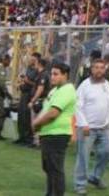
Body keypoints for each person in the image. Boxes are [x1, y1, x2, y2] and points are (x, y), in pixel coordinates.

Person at [33, 61, 77, 196]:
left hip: (58, 134)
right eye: (52, 74)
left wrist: (36, 123)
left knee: (55, 169)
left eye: (56, 74)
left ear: (65, 75)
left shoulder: (67, 90)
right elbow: (47, 109)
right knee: (48, 167)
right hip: (49, 133)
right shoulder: (54, 90)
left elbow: (53, 113)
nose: (52, 77)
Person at [74, 57, 109, 195]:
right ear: (91, 69)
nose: (99, 70)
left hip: (104, 128)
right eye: (96, 67)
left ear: (105, 70)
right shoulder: (84, 85)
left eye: (101, 68)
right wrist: (83, 124)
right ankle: (80, 184)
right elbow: (77, 106)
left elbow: (108, 105)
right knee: (83, 156)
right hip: (87, 129)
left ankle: (95, 177)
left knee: (107, 152)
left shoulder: (107, 84)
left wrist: (108, 122)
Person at [16, 52, 42, 146]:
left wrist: (28, 81)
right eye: (31, 58)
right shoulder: (28, 68)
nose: (30, 60)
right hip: (23, 94)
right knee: (21, 116)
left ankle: (28, 139)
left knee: (27, 117)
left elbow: (37, 85)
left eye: (33, 59)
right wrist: (21, 82)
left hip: (29, 96)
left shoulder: (38, 71)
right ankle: (21, 137)